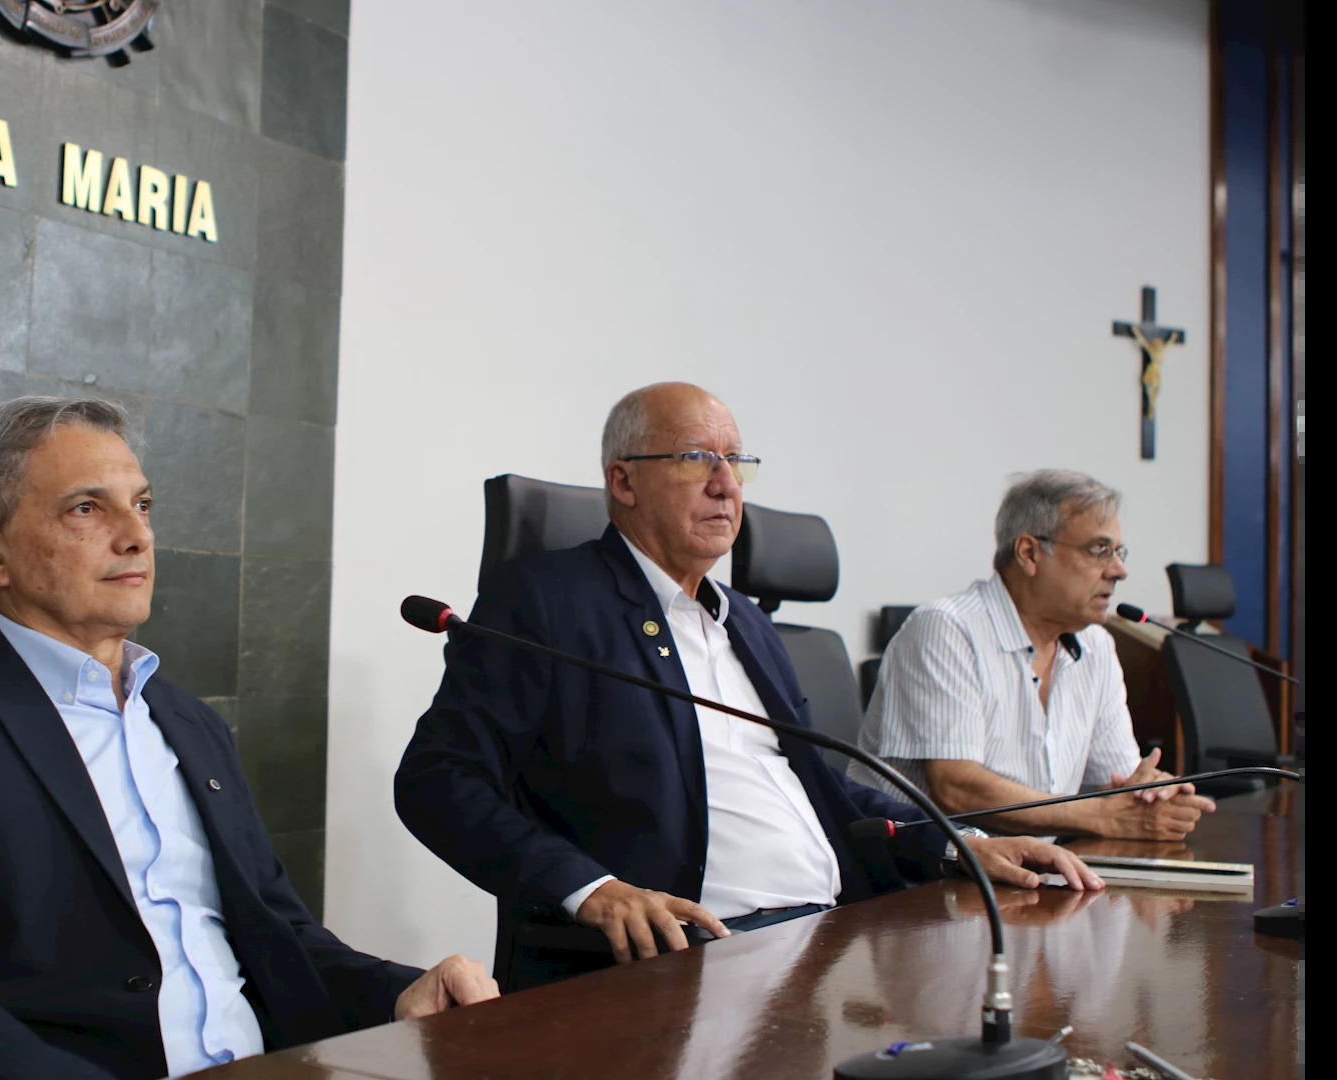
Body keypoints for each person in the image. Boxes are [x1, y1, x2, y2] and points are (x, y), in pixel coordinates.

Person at [0, 397, 496, 1080]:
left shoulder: (189, 722)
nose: (137, 535)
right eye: (86, 508)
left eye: (142, 504)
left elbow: (280, 936)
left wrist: (399, 993)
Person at [393, 383, 1101, 990]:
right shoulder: (547, 603)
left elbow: (823, 790)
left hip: (829, 941)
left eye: (736, 461)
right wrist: (593, 891)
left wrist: (960, 843)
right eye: (696, 458)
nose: (726, 484)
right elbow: (437, 779)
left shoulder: (749, 624)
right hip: (691, 959)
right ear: (624, 482)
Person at [848, 469, 1217, 840]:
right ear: (1029, 553)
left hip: (1035, 867)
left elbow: (1119, 784)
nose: (1119, 570)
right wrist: (1105, 816)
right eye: (1099, 550)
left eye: (1119, 552)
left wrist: (1152, 793)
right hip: (925, 868)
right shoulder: (948, 629)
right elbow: (958, 788)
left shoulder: (1096, 647)